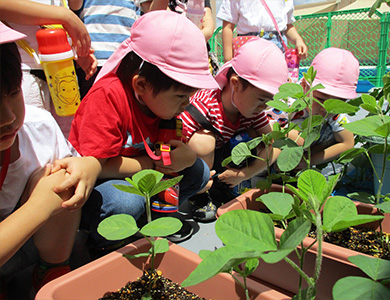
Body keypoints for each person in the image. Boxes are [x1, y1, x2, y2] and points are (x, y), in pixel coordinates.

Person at [68, 10, 218, 248]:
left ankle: (155, 222)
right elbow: (98, 166)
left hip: (143, 173)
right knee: (126, 202)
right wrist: (155, 164)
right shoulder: (108, 97)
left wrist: (187, 157)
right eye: (181, 95)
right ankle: (105, 240)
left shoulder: (162, 104)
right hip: (103, 182)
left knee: (198, 171)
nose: (187, 103)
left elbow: (174, 150)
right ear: (141, 84)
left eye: (190, 95)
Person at [0, 22, 100, 298]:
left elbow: (80, 164)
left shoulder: (38, 126)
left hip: (31, 247)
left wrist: (89, 165)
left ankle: (51, 272)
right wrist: (40, 207)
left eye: (13, 93)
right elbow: (42, 207)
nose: (8, 117)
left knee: (61, 176)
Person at [178, 38, 287, 222]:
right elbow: (173, 144)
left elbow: (275, 144)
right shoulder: (204, 106)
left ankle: (222, 188)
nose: (265, 107)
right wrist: (196, 179)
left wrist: (246, 173)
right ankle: (200, 195)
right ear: (235, 84)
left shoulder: (252, 110)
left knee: (256, 136)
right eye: (262, 100)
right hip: (192, 164)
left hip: (221, 158)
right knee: (203, 142)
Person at [0, 0, 97, 138]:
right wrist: (65, 16)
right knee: (30, 139)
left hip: (61, 66)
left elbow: (75, 5)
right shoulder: (64, 15)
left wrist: (74, 48)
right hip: (24, 71)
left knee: (64, 142)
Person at [286, 47, 359, 171]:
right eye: (320, 99)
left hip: (310, 150)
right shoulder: (291, 101)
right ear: (304, 86)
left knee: (335, 132)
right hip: (285, 143)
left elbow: (347, 143)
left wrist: (309, 160)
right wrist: (297, 138)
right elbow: (270, 127)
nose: (326, 108)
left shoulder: (335, 113)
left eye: (338, 102)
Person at [69, 0, 141, 98]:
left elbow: (147, 17)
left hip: (126, 60)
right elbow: (74, 6)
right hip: (92, 60)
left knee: (124, 107)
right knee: (93, 107)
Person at [217, 0, 308, 62]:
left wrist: (298, 40)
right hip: (247, 47)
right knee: (250, 86)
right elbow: (228, 26)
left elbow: (286, 25)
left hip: (276, 47)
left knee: (275, 86)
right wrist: (228, 62)